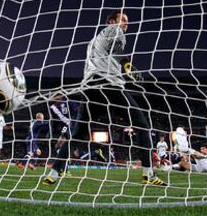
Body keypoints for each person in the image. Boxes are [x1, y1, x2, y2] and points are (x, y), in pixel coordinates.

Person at [43, 11, 165, 186]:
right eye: (122, 19)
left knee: (78, 134)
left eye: (127, 21)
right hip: (108, 85)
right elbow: (117, 48)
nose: (125, 24)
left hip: (90, 88)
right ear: (112, 21)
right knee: (142, 125)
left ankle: (53, 172)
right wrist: (127, 64)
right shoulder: (114, 31)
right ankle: (148, 174)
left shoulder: (93, 41)